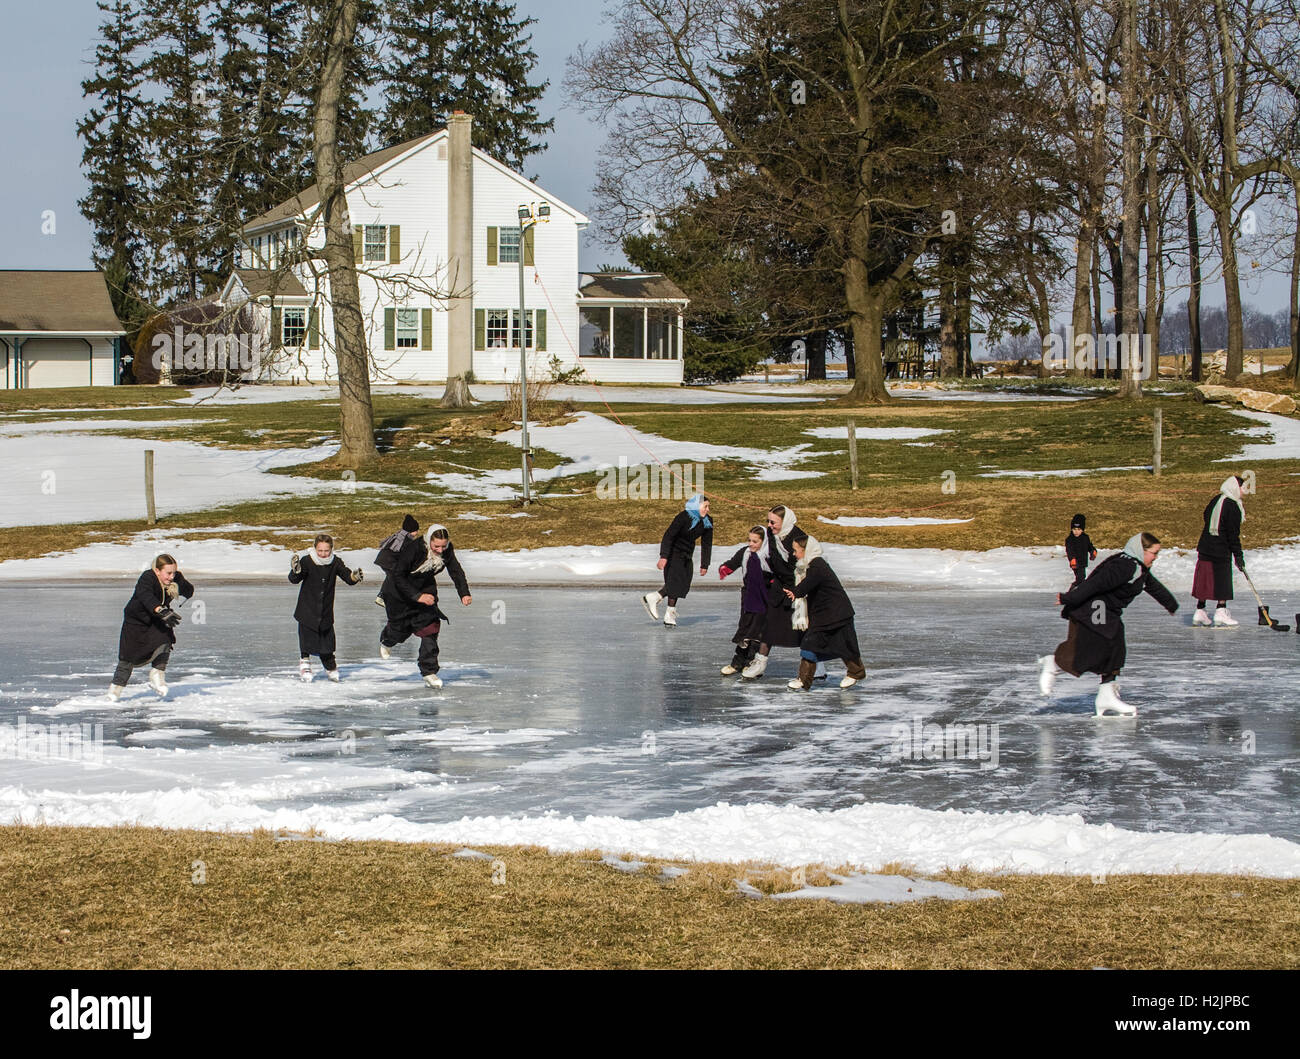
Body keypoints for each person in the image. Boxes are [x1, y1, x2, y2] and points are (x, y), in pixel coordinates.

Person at [1038, 532, 1178, 716]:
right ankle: (1054, 663)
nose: (1155, 557)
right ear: (1140, 550)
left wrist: (1171, 604)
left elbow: (1153, 586)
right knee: (1094, 648)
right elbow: (1095, 583)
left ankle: (1106, 695)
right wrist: (1069, 598)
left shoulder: (1138, 568)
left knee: (1115, 646)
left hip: (1106, 611)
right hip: (1093, 608)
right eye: (1153, 553)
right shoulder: (1125, 565)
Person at [378, 524, 471, 689]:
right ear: (429, 541)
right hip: (399, 592)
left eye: (444, 546)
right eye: (436, 546)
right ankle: (387, 641)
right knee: (400, 631)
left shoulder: (446, 549)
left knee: (430, 629)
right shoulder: (414, 548)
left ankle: (429, 671)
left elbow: (455, 570)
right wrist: (417, 596)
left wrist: (464, 593)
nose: (440, 550)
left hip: (426, 589)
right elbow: (398, 575)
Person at [741, 504, 825, 681]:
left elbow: (807, 563)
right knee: (769, 624)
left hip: (797, 586)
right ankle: (760, 662)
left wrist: (798, 588)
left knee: (803, 627)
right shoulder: (772, 536)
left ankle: (817, 666)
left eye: (773, 522)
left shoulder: (799, 537)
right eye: (768, 521)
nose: (769, 526)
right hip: (779, 587)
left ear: (785, 521)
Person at [782, 530, 866, 690]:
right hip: (825, 615)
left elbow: (809, 583)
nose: (794, 554)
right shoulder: (808, 566)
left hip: (838, 614)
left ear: (805, 551)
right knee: (810, 644)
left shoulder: (817, 565)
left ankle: (856, 671)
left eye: (796, 550)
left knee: (845, 645)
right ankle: (803, 680)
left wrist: (795, 592)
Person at [108, 553, 195, 700]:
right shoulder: (147, 578)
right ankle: (115, 690)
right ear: (157, 571)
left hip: (156, 618)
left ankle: (157, 676)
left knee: (166, 639)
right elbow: (145, 596)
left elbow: (189, 590)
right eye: (168, 573)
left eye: (174, 572)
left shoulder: (174, 578)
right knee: (127, 657)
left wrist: (181, 586)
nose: (171, 576)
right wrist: (160, 610)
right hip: (136, 620)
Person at [289, 533, 364, 682]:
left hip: (325, 612)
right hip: (307, 610)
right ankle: (305, 664)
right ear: (315, 548)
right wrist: (296, 570)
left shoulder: (335, 562)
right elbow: (295, 579)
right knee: (306, 641)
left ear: (331, 549)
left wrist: (354, 576)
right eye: (320, 550)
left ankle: (330, 667)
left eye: (326, 551)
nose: (323, 554)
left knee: (327, 644)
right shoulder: (307, 561)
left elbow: (347, 576)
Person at [641, 494, 712, 627]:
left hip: (687, 554)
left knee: (683, 584)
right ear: (697, 506)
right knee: (676, 582)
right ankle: (669, 614)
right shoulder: (683, 517)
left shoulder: (707, 521)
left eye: (708, 507)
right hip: (674, 553)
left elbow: (707, 544)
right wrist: (664, 556)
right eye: (705, 506)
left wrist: (705, 564)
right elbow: (668, 536)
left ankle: (656, 596)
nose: (707, 510)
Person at [1192, 475, 1246, 627]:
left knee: (1205, 578)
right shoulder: (1233, 506)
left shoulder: (1216, 500)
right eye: (1242, 488)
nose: (1244, 492)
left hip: (1205, 546)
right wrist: (1238, 556)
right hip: (1220, 549)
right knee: (1222, 580)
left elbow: (1205, 515)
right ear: (1236, 488)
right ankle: (1221, 611)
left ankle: (1200, 610)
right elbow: (1233, 535)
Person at [717, 526, 771, 675]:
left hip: (764, 598)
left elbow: (781, 573)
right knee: (745, 628)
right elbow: (733, 562)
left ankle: (750, 663)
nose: (751, 544)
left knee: (757, 631)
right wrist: (725, 568)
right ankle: (737, 663)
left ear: (763, 541)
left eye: (755, 541)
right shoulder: (745, 552)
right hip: (748, 596)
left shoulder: (769, 556)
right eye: (749, 540)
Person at [1065, 513, 1097, 587]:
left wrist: (1093, 551)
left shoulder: (1085, 538)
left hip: (1083, 562)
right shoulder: (1070, 539)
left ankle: (1078, 592)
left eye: (1079, 529)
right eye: (1074, 529)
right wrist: (1072, 559)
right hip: (1075, 563)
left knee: (1081, 578)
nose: (1076, 531)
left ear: (1082, 530)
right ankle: (1073, 591)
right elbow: (1069, 550)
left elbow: (1089, 546)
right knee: (1081, 578)